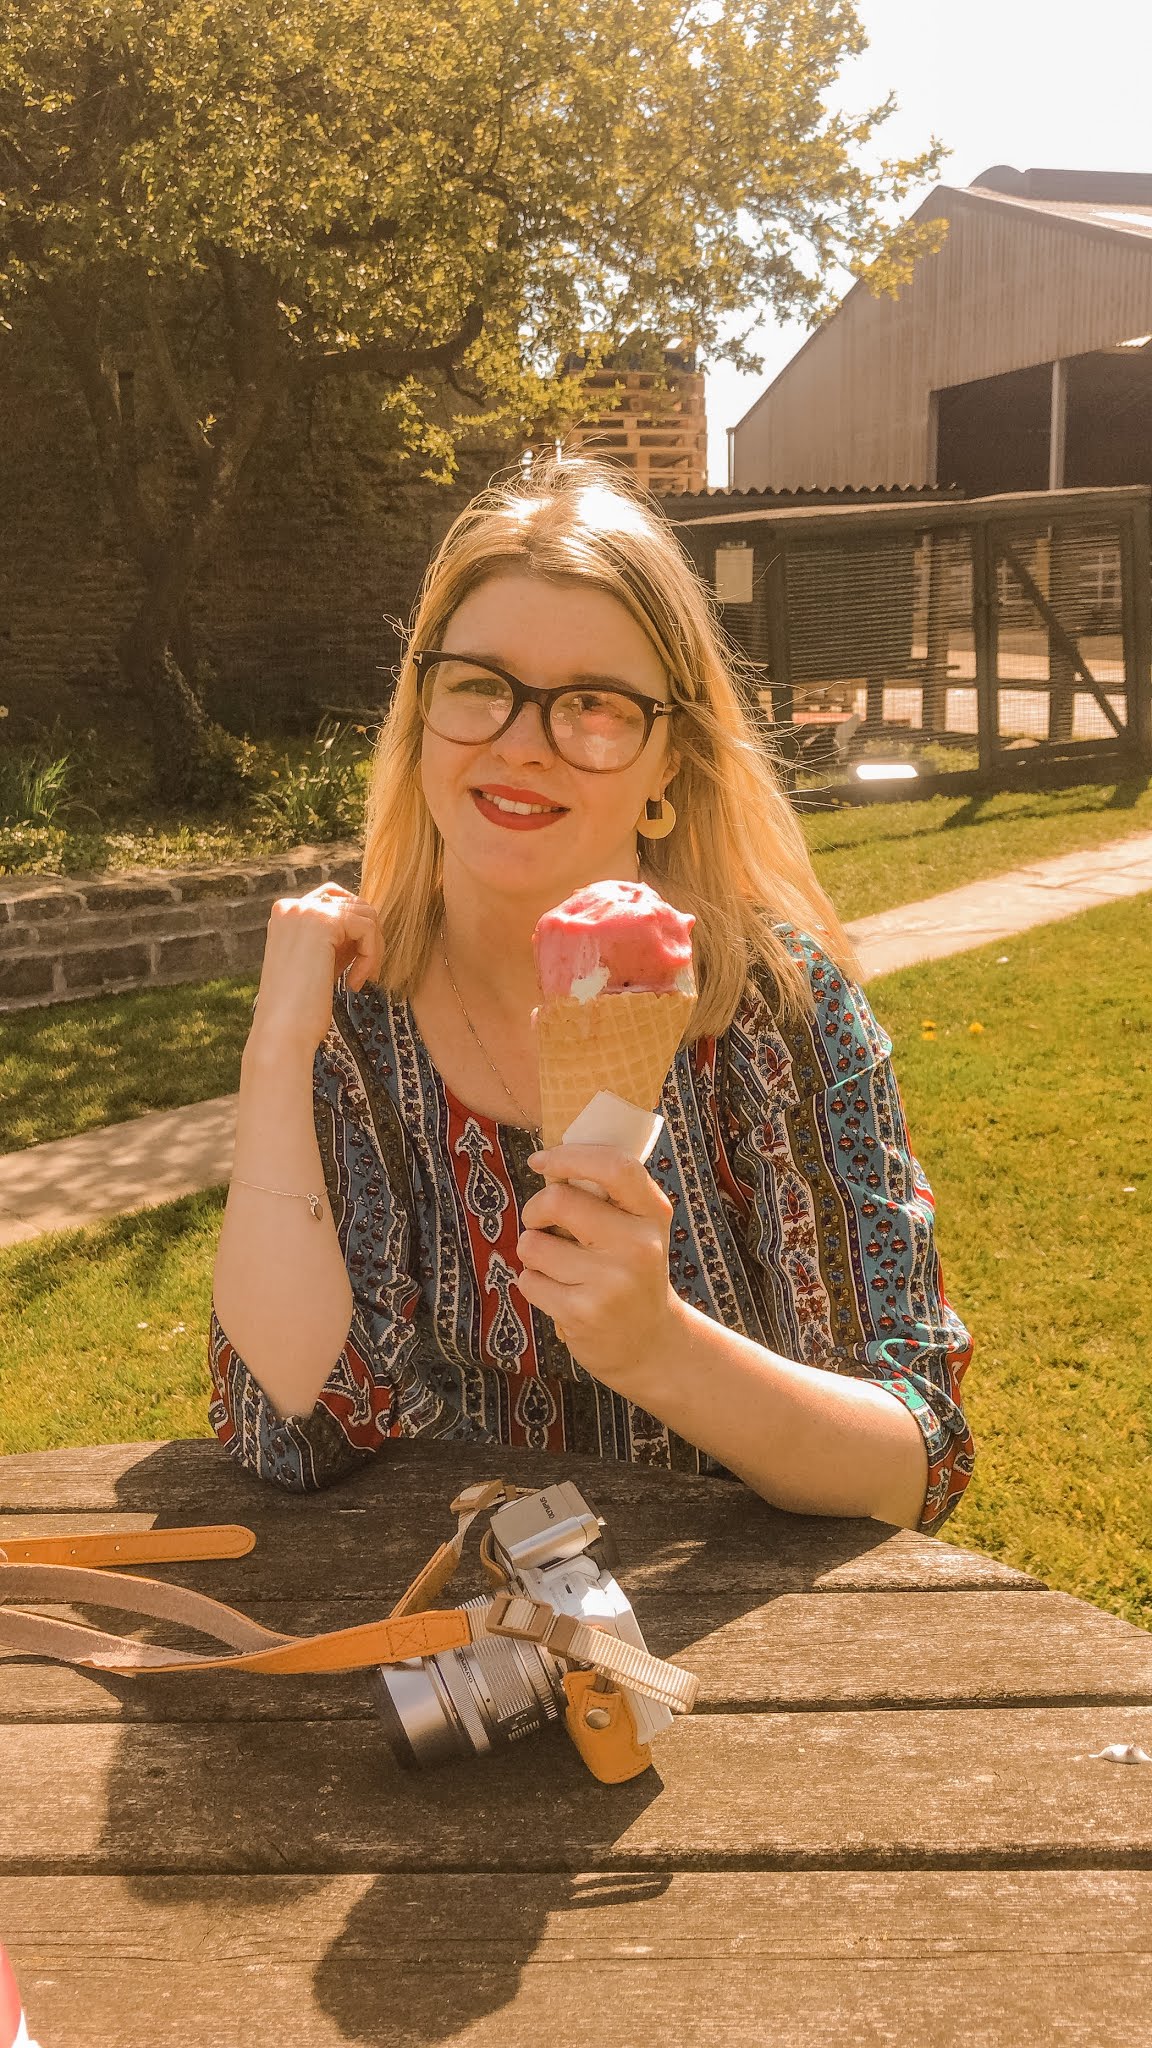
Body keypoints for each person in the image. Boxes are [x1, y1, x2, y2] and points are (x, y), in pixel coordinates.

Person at [210, 456, 974, 1533]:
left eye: (595, 706)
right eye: (479, 683)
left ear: (670, 758)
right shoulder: (355, 1015)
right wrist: (279, 1052)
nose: (522, 741)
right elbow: (289, 1426)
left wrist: (659, 1345)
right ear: (422, 712)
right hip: (437, 1626)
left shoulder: (776, 1018)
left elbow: (915, 1457)